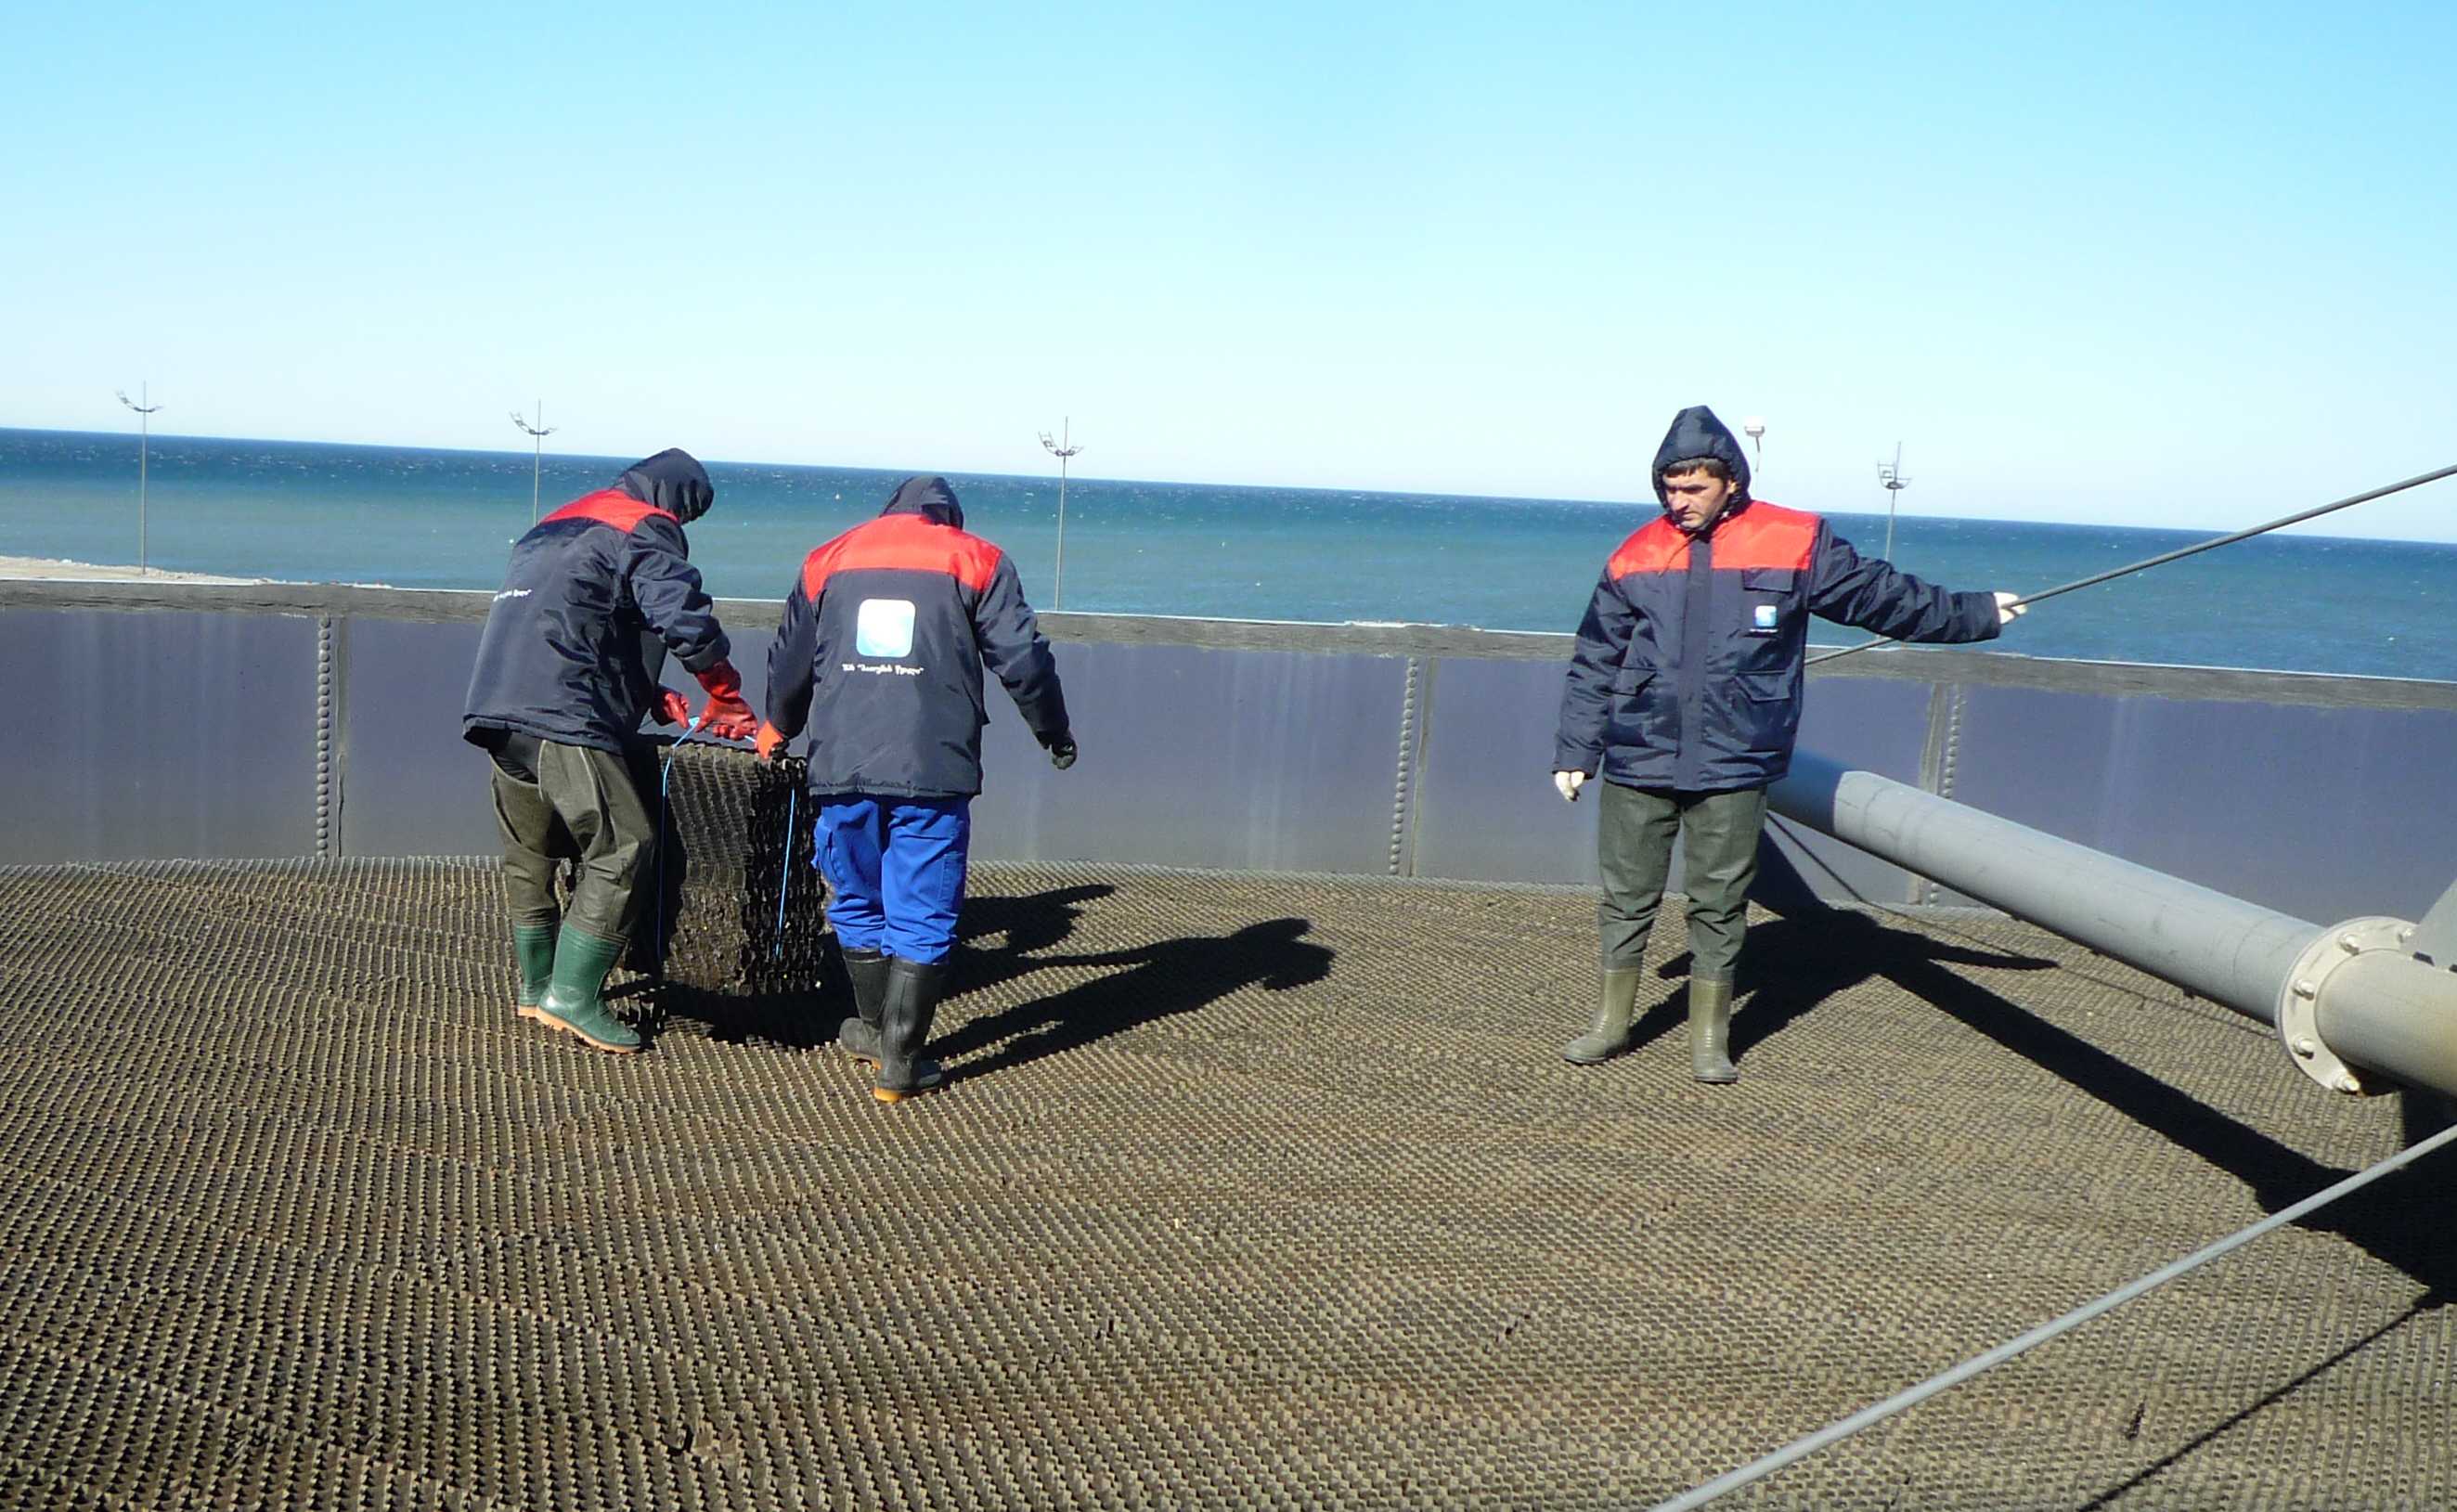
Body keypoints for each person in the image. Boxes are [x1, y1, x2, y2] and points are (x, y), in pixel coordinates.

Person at [1553, 407, 2023, 1083]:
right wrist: (1575, 750)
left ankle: (1710, 1039)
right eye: (1668, 487)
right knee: (1626, 894)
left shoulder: (1795, 538)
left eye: (1692, 487)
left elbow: (1880, 598)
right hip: (1638, 752)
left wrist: (1974, 613)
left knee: (1719, 900)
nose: (1676, 501)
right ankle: (1610, 1022)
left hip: (1734, 757)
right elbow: (1595, 656)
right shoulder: (1635, 552)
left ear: (1729, 481)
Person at [757, 474, 1077, 1102]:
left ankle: (873, 1031)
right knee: (922, 909)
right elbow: (1023, 659)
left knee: (855, 896)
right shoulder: (975, 557)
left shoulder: (828, 557)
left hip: (840, 761)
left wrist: (777, 724)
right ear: (946, 517)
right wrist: (1053, 731)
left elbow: (790, 655)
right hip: (932, 765)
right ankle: (900, 1061)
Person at [463, 448, 757, 1054]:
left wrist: (646, 689)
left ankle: (537, 985)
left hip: (497, 710)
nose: (683, 530)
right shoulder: (646, 526)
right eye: (688, 517)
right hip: (564, 717)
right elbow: (683, 619)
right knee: (625, 845)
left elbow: (569, 620)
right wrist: (725, 696)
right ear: (677, 500)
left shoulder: (554, 526)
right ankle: (573, 996)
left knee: (533, 854)